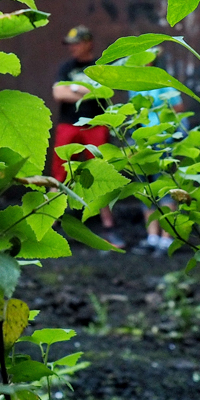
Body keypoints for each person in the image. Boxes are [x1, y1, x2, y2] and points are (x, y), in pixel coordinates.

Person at [51, 25, 122, 246]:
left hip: (96, 125)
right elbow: (57, 93)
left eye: (77, 43)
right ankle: (47, 224)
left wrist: (73, 88)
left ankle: (108, 227)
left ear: (88, 43)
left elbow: (105, 92)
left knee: (100, 174)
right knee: (59, 173)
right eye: (70, 44)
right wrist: (85, 89)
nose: (72, 48)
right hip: (68, 125)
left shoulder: (100, 66)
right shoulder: (66, 67)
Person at [128, 77, 187, 257]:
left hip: (163, 140)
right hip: (143, 143)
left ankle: (166, 238)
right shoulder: (133, 85)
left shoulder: (162, 80)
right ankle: (152, 237)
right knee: (146, 190)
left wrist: (160, 118)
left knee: (166, 187)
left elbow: (178, 107)